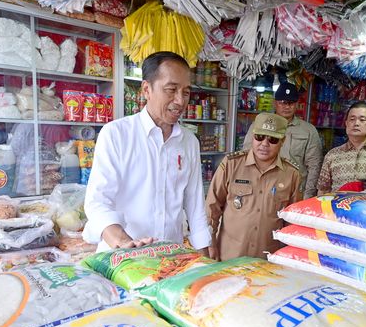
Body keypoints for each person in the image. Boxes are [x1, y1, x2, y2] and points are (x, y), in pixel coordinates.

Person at [83, 51, 211, 254]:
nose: (180, 100)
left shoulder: (189, 142)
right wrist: (126, 244)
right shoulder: (116, 134)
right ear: (146, 89)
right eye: (171, 89)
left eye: (186, 92)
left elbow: (195, 208)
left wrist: (206, 263)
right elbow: (97, 203)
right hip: (122, 259)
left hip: (170, 259)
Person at [206, 113, 301, 261]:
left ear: (283, 141)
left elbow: (293, 222)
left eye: (273, 139)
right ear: (252, 136)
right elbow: (212, 208)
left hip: (267, 260)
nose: (264, 144)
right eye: (260, 137)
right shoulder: (231, 164)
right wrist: (210, 243)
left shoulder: (291, 174)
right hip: (229, 256)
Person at [243, 82, 322, 197]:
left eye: (291, 103)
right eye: (283, 102)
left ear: (297, 104)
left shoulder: (308, 130)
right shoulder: (259, 125)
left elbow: (315, 165)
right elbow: (247, 155)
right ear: (275, 103)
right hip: (262, 188)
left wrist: (307, 195)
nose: (287, 106)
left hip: (294, 191)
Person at [317, 101, 366, 195]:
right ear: (346, 123)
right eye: (352, 119)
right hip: (337, 208)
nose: (356, 123)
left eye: (362, 120)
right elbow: (323, 190)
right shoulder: (332, 155)